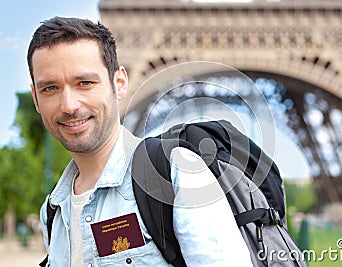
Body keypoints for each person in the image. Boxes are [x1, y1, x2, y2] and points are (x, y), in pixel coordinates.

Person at [28, 17, 253, 266]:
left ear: (119, 83)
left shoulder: (178, 173)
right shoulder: (53, 212)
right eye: (50, 88)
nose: (69, 105)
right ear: (36, 99)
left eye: (85, 83)